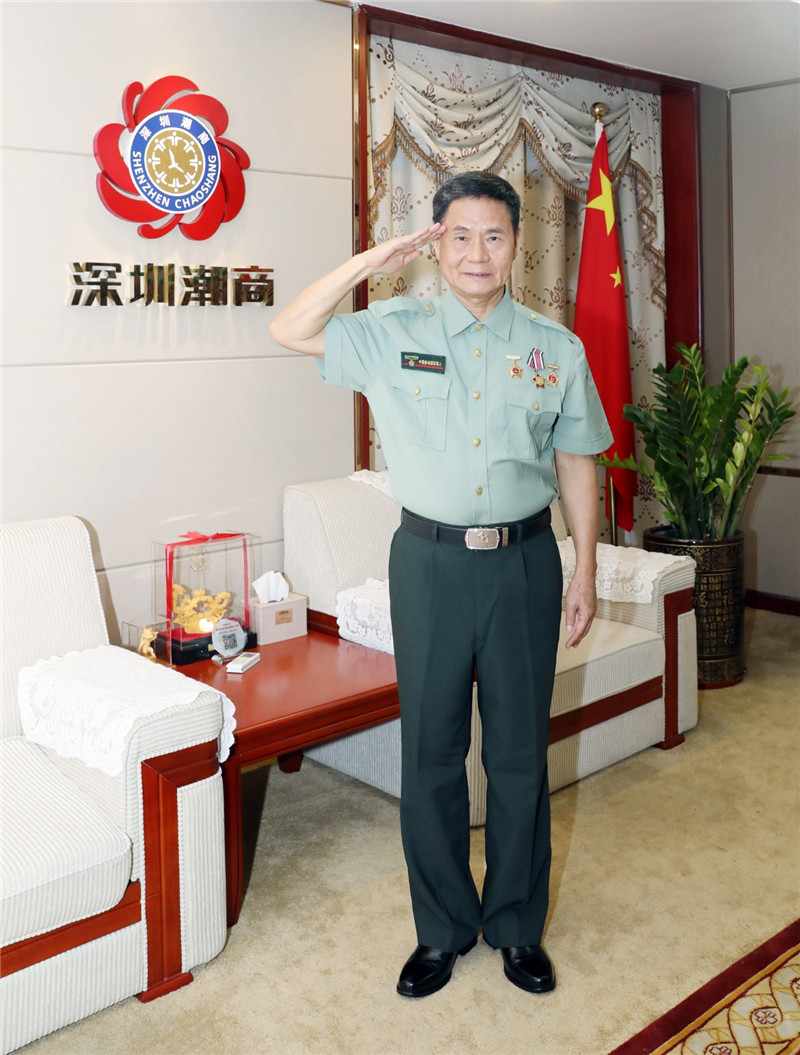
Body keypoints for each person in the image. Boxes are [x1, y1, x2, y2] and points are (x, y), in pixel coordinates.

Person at [270, 170, 613, 998]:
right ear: (435, 244)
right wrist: (375, 260)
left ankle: (517, 926)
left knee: (519, 754)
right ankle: (442, 928)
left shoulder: (555, 348)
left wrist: (586, 566)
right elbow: (289, 326)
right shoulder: (393, 331)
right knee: (430, 753)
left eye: (493, 236)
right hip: (428, 565)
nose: (476, 252)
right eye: (459, 236)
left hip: (526, 563)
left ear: (516, 245)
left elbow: (576, 461)